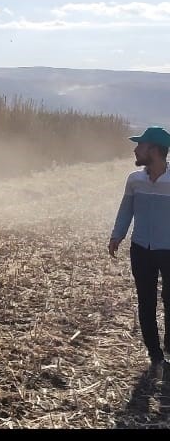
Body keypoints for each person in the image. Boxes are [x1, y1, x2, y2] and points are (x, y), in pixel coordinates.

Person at [108, 125, 170, 368]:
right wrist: (117, 234)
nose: (135, 150)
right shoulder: (134, 180)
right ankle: (155, 356)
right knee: (146, 302)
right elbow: (126, 210)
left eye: (140, 146)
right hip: (141, 249)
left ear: (154, 150)